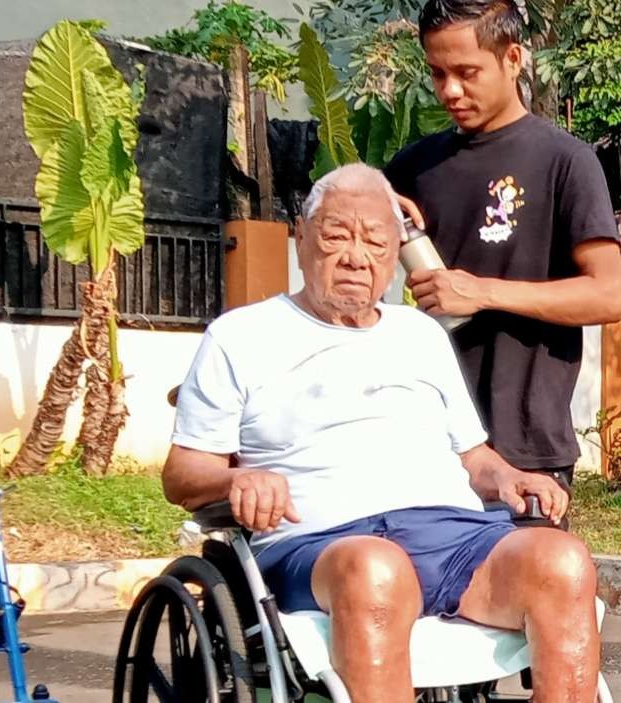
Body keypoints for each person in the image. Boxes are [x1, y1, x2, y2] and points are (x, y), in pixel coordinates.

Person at [164, 163, 601, 703]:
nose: (356, 257)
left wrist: (509, 477)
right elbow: (183, 472)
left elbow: (473, 457)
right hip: (322, 545)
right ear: (301, 238)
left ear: (396, 254)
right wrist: (238, 481)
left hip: (451, 537)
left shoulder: (419, 334)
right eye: (336, 236)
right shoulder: (240, 336)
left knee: (562, 562)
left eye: (375, 241)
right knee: (377, 567)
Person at [384, 0, 621, 503]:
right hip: (424, 438)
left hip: (524, 445)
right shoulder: (414, 168)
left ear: (513, 58)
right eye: (437, 73)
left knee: (530, 580)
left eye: (467, 72)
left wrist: (482, 292)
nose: (450, 90)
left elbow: (610, 293)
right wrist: (369, 200)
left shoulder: (565, 162)